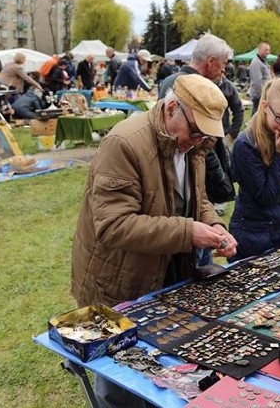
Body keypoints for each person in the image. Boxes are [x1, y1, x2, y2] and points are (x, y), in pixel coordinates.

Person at [71, 74, 238, 408]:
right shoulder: (124, 143)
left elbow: (198, 198)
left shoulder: (194, 145)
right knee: (120, 384)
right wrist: (189, 232)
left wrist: (215, 225)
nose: (196, 140)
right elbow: (113, 225)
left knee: (161, 375)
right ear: (172, 107)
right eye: (194, 131)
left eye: (204, 135)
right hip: (119, 282)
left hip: (169, 272)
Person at [157, 34, 243, 215]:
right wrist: (221, 182)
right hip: (188, 174)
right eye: (224, 63)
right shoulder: (194, 86)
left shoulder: (170, 80)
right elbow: (202, 144)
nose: (224, 70)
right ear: (211, 61)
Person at [229, 78, 280, 260]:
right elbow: (266, 195)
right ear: (265, 107)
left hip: (277, 228)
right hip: (252, 234)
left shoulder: (278, 134)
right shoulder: (245, 144)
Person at [248, 42, 272, 116]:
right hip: (259, 95)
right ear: (259, 50)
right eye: (265, 50)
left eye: (268, 50)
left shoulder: (264, 61)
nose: (267, 52)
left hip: (264, 93)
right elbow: (257, 82)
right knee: (257, 116)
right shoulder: (256, 63)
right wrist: (263, 95)